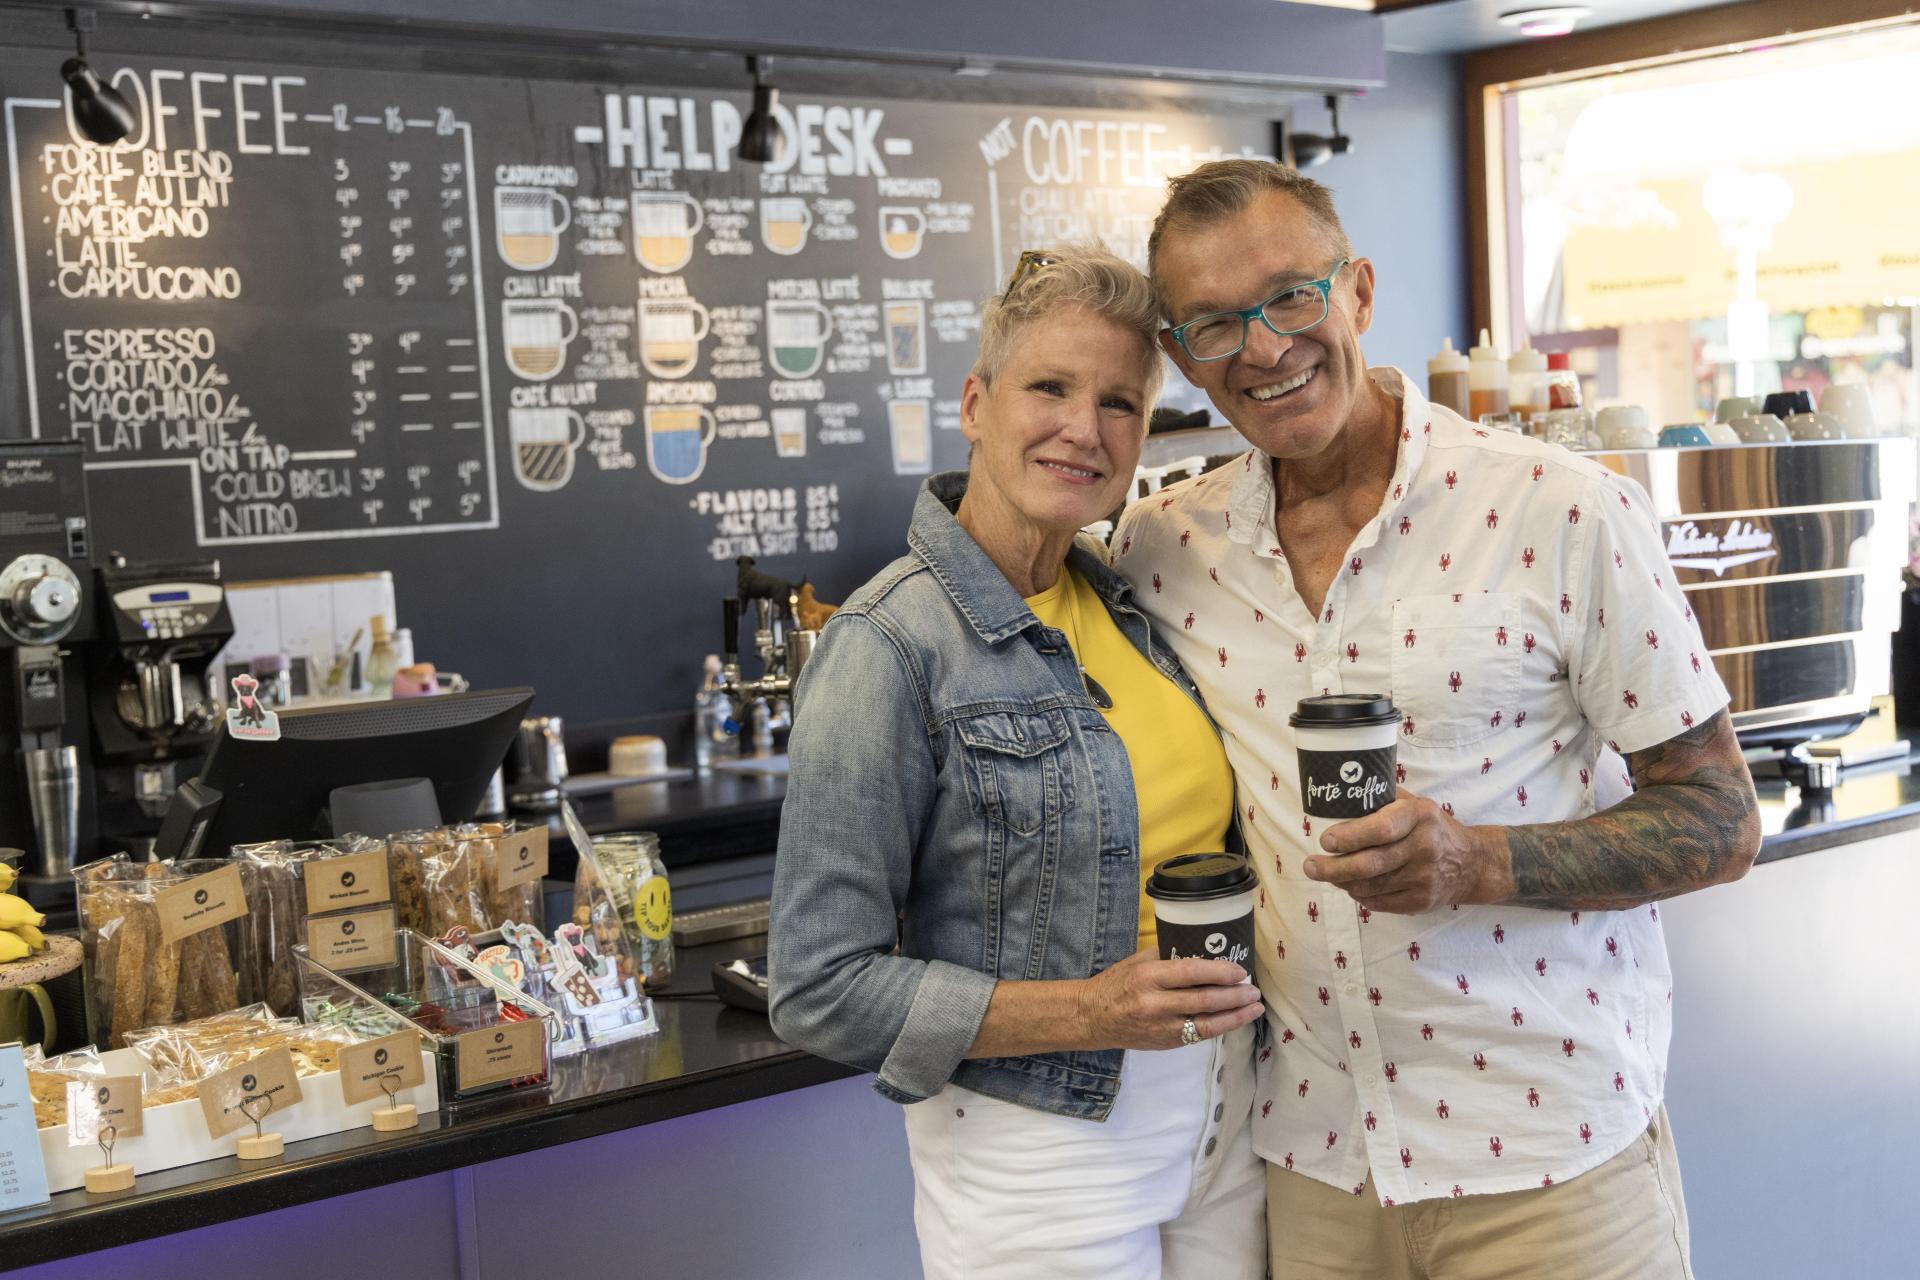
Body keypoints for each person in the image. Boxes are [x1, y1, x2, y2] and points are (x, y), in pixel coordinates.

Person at [1115, 159, 1762, 1279]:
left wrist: (1476, 861)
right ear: (1179, 357)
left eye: (1290, 297)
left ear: (1358, 292)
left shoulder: (1560, 506)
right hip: (1317, 1166)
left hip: (1551, 1165)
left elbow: (1720, 817)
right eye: (1216, 325)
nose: (1263, 348)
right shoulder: (1162, 549)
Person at [770, 244, 1267, 1280]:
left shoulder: (1133, 598)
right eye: (1050, 387)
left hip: (1224, 1110)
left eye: (1120, 402)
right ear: (977, 403)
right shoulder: (888, 642)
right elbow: (818, 986)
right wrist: (1092, 1009)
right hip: (1043, 1148)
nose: (1084, 428)